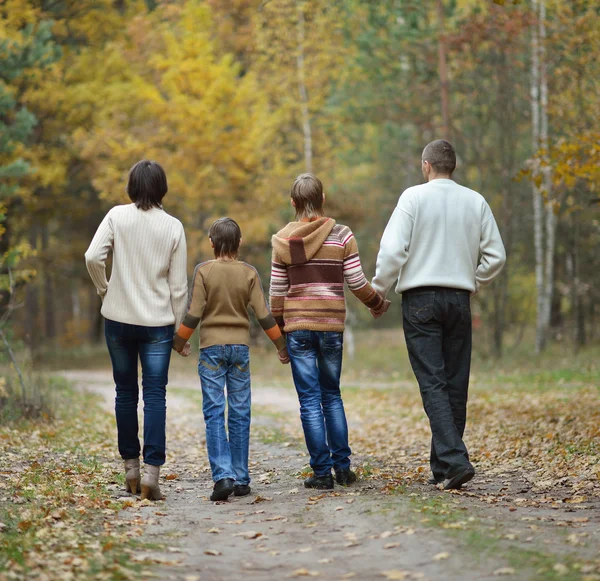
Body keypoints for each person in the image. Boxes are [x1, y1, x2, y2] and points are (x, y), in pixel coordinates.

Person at [372, 140, 506, 490]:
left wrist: (378, 290)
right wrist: (472, 281)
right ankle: (443, 466)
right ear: (453, 166)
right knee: (455, 382)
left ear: (426, 165)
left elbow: (392, 250)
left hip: (420, 300)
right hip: (458, 298)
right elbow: (496, 256)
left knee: (433, 381)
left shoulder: (413, 198)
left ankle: (455, 459)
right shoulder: (475, 201)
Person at [270, 173, 390, 491]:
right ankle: (343, 469)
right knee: (332, 396)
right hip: (330, 326)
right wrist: (376, 303)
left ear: (293, 203)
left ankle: (322, 473)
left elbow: (277, 293)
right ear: (322, 199)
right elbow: (357, 281)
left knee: (309, 401)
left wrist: (280, 335)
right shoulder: (341, 235)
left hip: (298, 329)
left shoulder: (284, 240)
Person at [85, 160, 190, 501]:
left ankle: (130, 470)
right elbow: (178, 287)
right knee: (156, 395)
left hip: (118, 318)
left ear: (131, 186)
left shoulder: (117, 215)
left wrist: (105, 289)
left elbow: (92, 257)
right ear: (162, 188)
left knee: (125, 393)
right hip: (158, 323)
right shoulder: (173, 226)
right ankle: (152, 474)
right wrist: (179, 330)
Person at [173, 218, 288, 502]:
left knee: (214, 412)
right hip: (240, 349)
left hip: (212, 348)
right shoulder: (248, 273)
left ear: (211, 243)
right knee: (239, 411)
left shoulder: (203, 271)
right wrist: (281, 346)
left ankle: (222, 476)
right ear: (239, 243)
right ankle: (241, 478)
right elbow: (263, 314)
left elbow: (194, 312)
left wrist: (179, 341)